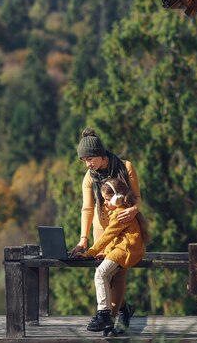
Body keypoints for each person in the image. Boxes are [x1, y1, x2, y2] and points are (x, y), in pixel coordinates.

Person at [70, 128, 142, 332]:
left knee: (118, 272)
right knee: (104, 271)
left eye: (90, 158)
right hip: (101, 228)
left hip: (123, 222)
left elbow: (137, 197)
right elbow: (87, 208)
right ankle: (120, 311)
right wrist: (84, 239)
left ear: (102, 155)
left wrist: (134, 211)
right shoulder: (89, 177)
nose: (88, 164)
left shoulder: (126, 167)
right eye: (84, 160)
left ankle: (111, 317)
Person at [81, 178, 149, 333]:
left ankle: (104, 315)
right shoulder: (122, 210)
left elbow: (108, 236)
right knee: (105, 276)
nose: (105, 203)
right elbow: (116, 238)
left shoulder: (119, 214)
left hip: (126, 251)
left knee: (100, 273)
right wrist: (104, 253)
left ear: (117, 198)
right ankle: (118, 311)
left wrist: (90, 252)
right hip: (125, 249)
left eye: (106, 199)